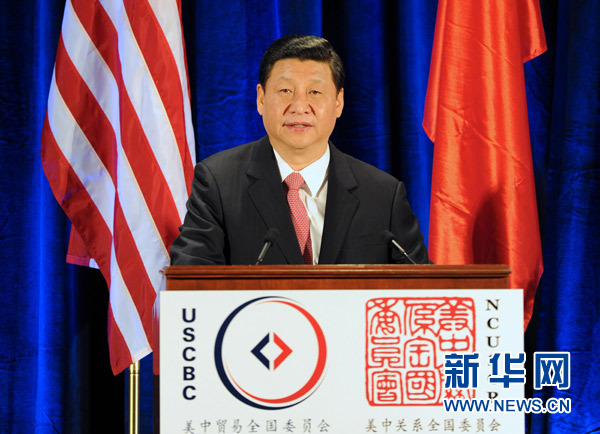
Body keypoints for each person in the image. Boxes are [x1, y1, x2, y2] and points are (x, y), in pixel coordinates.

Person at [170, 34, 429, 265]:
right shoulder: (218, 183)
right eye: (285, 90)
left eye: (315, 92)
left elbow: (422, 294)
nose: (299, 106)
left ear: (338, 102)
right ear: (261, 99)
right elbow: (192, 281)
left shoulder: (383, 194)